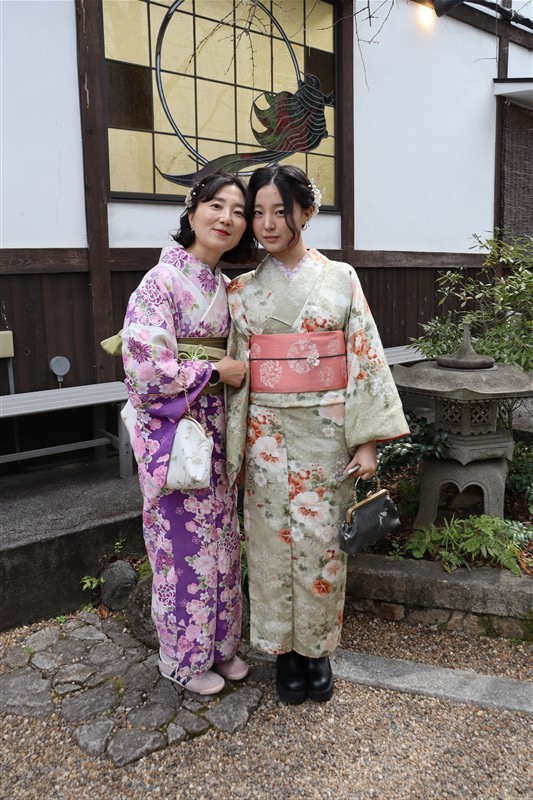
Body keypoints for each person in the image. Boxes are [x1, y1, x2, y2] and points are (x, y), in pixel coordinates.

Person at [225, 165, 409, 704]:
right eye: (258, 213)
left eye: (280, 211)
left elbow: (364, 358)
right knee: (268, 544)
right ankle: (283, 652)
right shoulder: (241, 291)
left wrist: (367, 441)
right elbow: (238, 372)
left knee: (323, 544)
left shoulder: (341, 278)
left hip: (327, 434)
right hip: (264, 435)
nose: (267, 224)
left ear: (306, 212)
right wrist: (234, 449)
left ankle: (317, 651)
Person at [122, 173, 254, 695]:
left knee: (222, 540)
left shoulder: (225, 286)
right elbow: (145, 371)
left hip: (218, 429)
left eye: (238, 211)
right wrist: (214, 370)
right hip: (177, 432)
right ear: (192, 209)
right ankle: (180, 657)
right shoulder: (160, 281)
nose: (227, 218)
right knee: (181, 545)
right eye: (216, 205)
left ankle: (220, 647)